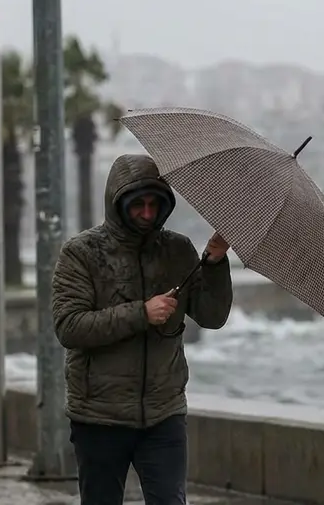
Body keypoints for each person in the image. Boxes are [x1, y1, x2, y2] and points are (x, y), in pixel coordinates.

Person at [51, 153, 234, 505]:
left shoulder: (179, 250)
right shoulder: (81, 253)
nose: (148, 214)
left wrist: (214, 262)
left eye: (155, 204)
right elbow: (69, 327)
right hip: (99, 416)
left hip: (164, 414)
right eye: (139, 205)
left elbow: (212, 316)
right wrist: (141, 313)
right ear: (119, 204)